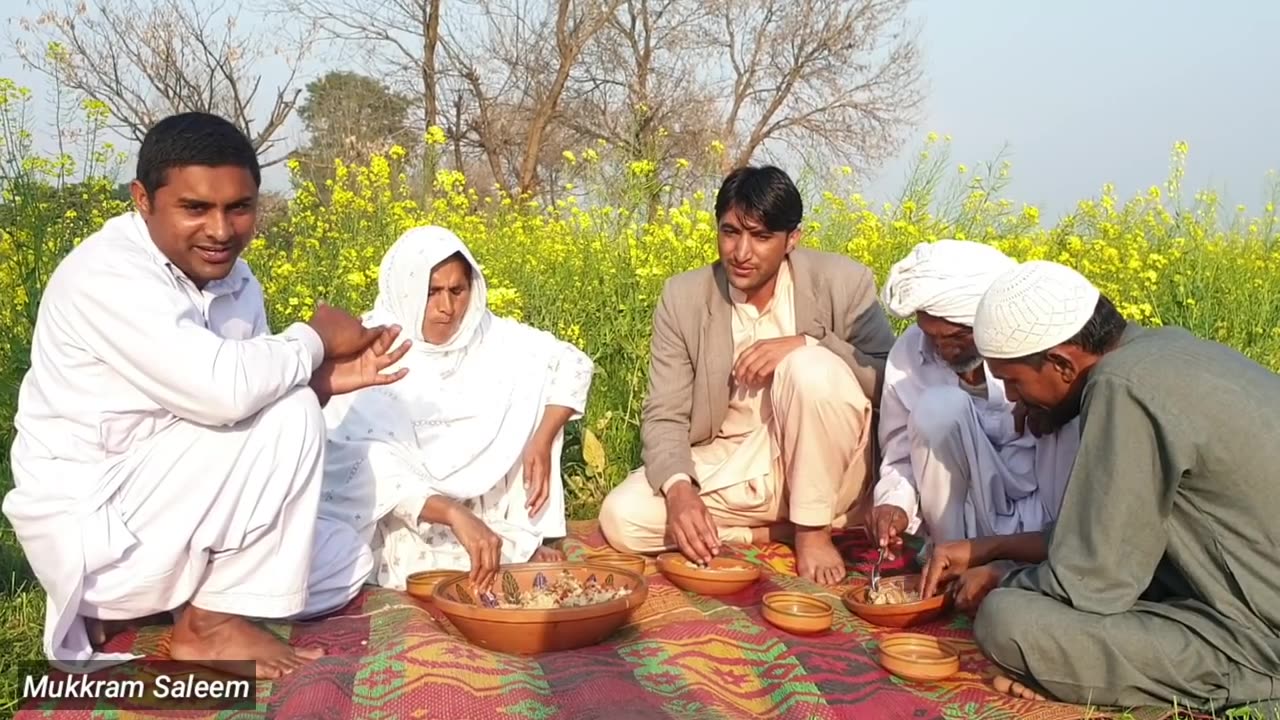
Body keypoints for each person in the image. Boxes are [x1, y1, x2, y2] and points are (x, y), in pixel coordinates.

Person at [3, 112, 409, 680]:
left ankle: (176, 602)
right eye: (195, 208)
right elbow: (226, 393)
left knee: (344, 563)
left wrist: (319, 381)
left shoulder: (237, 281)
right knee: (286, 410)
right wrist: (315, 340)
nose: (221, 230)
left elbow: (243, 405)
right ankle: (207, 626)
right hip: (99, 528)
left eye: (239, 208)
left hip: (172, 511)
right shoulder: (105, 274)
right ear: (142, 199)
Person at [937, 260, 1280, 714]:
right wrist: (993, 547)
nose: (1014, 399)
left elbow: (1095, 581)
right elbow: (1116, 535)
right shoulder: (1162, 349)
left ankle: (1256, 685)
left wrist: (1005, 577)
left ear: (1060, 362)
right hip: (1244, 595)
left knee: (1008, 620)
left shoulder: (1121, 385)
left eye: (1013, 382)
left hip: (1261, 636)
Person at [599, 165, 897, 585]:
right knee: (622, 517)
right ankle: (777, 531)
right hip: (736, 464)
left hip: (832, 462)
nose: (741, 252)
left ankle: (812, 532)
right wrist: (681, 491)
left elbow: (893, 383)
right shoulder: (684, 298)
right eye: (730, 232)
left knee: (807, 367)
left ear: (792, 238)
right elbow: (664, 413)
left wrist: (808, 344)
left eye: (760, 237)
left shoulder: (842, 282)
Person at [318, 226, 594, 595]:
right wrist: (451, 512)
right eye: (431, 293)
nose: (447, 308)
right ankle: (502, 549)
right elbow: (359, 461)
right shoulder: (370, 345)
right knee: (372, 455)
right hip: (405, 515)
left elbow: (573, 363)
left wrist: (541, 439)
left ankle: (519, 538)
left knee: (533, 391)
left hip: (488, 503)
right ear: (406, 290)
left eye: (457, 291)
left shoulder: (491, 334)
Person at [867, 240, 1080, 610]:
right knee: (937, 410)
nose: (943, 349)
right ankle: (948, 564)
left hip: (1041, 519)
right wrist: (894, 504)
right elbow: (901, 452)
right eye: (933, 337)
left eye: (956, 337)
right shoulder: (910, 353)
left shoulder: (1038, 357)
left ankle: (1038, 572)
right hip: (961, 517)